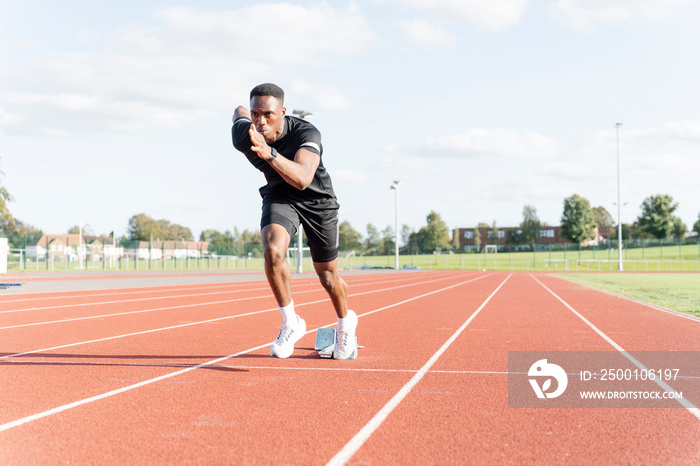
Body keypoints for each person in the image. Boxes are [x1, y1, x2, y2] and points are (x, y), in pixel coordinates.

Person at [231, 83, 358, 360]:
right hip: (280, 197)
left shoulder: (306, 133)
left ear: (283, 112)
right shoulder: (245, 134)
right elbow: (238, 112)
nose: (260, 121)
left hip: (317, 201)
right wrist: (243, 115)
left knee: (327, 276)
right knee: (272, 250)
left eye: (268, 114)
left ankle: (346, 324)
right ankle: (291, 322)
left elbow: (302, 178)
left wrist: (270, 154)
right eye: (255, 114)